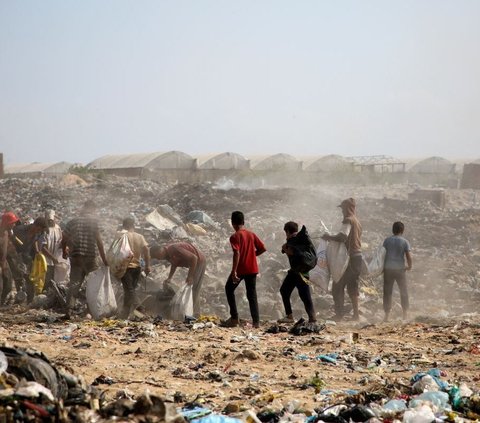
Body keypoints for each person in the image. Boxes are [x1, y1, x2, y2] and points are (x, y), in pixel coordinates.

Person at [62, 200, 108, 317]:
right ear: (93, 209)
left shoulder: (73, 222)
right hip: (91, 258)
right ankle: (93, 310)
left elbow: (64, 238)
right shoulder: (95, 222)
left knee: (74, 284)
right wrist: (104, 259)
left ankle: (69, 310)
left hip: (76, 258)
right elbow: (99, 242)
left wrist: (64, 251)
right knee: (94, 285)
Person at [221, 211, 266, 328]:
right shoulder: (251, 234)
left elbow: (236, 253)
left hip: (241, 269)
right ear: (243, 222)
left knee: (229, 289)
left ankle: (234, 318)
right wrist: (252, 255)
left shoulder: (234, 237)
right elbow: (263, 248)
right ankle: (256, 322)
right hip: (252, 269)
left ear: (232, 223)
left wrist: (233, 271)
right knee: (252, 295)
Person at [322, 198, 363, 321]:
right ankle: (356, 315)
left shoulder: (348, 220)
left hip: (348, 258)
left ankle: (339, 315)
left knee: (338, 285)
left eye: (343, 209)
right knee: (353, 286)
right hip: (357, 256)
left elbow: (342, 237)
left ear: (348, 208)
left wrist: (328, 237)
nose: (342, 211)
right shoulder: (357, 221)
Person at [150, 242, 206, 317]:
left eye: (157, 256)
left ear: (160, 251)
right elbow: (174, 264)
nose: (158, 259)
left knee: (194, 288)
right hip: (193, 263)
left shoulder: (174, 248)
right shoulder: (167, 255)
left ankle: (194, 314)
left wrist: (190, 276)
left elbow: (194, 258)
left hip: (199, 261)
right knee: (192, 288)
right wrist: (169, 278)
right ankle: (192, 312)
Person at [278, 221, 317, 323]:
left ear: (287, 231)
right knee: (300, 294)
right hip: (300, 272)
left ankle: (293, 317)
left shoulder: (293, 241)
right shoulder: (302, 239)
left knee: (298, 293)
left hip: (298, 273)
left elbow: (290, 252)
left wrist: (285, 248)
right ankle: (309, 317)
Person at [115, 217, 151, 319]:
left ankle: (141, 310)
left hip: (125, 268)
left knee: (130, 291)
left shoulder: (121, 235)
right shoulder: (140, 236)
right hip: (137, 268)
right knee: (129, 291)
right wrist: (148, 265)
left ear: (123, 225)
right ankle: (125, 315)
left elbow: (115, 251)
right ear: (133, 225)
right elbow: (146, 250)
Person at [383, 221, 412, 322]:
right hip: (400, 270)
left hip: (388, 269)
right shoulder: (404, 242)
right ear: (402, 231)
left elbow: (383, 255)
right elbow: (408, 256)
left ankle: (386, 316)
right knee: (403, 291)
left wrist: (381, 268)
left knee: (387, 292)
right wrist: (409, 266)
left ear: (393, 230)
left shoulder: (387, 241)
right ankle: (405, 315)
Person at [0, 212, 20, 304]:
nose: (14, 224)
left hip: (4, 261)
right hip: (1, 261)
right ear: (7, 223)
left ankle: (2, 301)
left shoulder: (7, 232)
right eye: (12, 222)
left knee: (8, 284)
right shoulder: (2, 232)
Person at [42, 209, 64, 288]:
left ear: (54, 219)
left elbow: (61, 243)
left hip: (56, 261)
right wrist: (53, 258)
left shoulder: (58, 229)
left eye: (51, 220)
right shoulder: (44, 230)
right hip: (46, 261)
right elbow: (43, 248)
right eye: (48, 220)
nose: (50, 222)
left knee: (56, 282)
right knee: (46, 281)